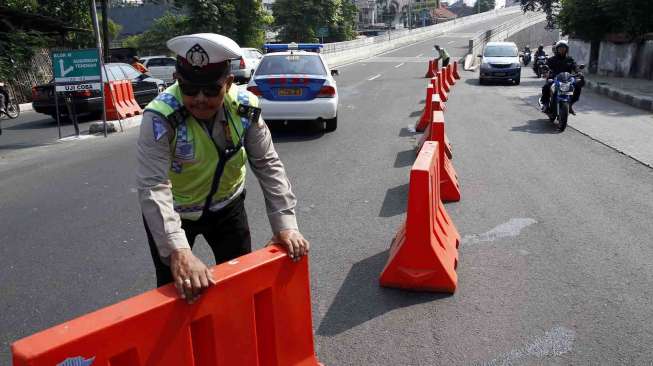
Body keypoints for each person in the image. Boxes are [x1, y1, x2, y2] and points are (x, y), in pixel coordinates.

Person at [136, 33, 309, 304]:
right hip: (175, 213)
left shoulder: (244, 108)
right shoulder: (160, 117)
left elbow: (268, 164)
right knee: (178, 293)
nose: (200, 99)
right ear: (176, 80)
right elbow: (153, 185)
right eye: (190, 89)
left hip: (228, 208)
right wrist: (178, 249)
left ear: (228, 83)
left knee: (240, 287)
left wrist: (286, 225)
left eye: (211, 89)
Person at [540, 40, 583, 115]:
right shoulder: (552, 59)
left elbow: (575, 66)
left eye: (564, 48)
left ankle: (570, 104)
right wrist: (545, 70)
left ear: (566, 49)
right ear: (557, 49)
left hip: (567, 79)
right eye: (560, 48)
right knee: (546, 86)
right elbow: (546, 66)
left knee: (578, 85)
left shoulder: (569, 59)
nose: (562, 49)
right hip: (555, 78)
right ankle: (545, 104)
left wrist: (578, 72)